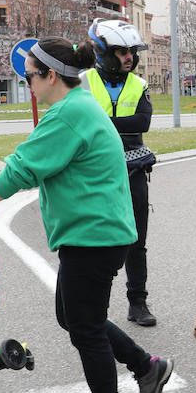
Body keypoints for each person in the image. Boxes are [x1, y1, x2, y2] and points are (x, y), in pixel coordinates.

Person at [0, 38, 175, 393]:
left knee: (84, 324)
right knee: (74, 317)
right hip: (95, 232)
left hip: (93, 236)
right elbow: (34, 160)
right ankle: (146, 366)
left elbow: (23, 166)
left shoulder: (67, 114)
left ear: (49, 75)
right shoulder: (76, 107)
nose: (27, 85)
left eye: (29, 77)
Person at [84, 18, 157, 326]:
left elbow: (143, 123)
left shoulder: (138, 84)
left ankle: (137, 303)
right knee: (95, 243)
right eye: (121, 51)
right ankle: (92, 306)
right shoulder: (83, 82)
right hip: (95, 173)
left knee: (136, 242)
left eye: (131, 51)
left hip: (134, 171)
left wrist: (100, 125)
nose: (129, 57)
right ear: (102, 52)